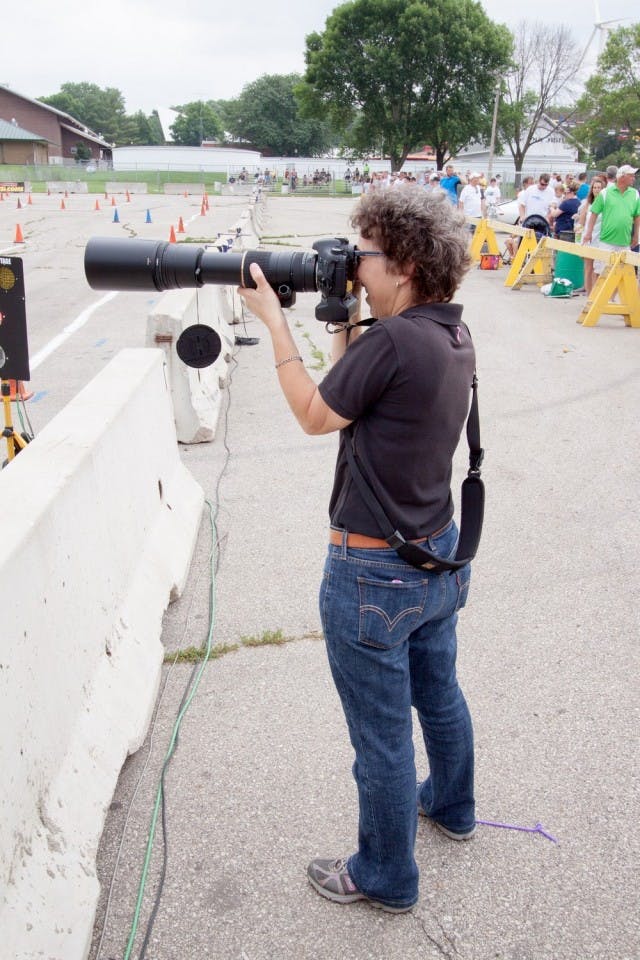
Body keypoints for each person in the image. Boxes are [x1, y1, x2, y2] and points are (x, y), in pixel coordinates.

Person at [238, 189, 476, 914]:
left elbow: (317, 415)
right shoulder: (445, 332)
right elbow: (355, 393)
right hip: (432, 555)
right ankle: (454, 808)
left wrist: (275, 323)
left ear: (402, 265)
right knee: (439, 697)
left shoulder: (396, 342)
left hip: (371, 573)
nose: (350, 263)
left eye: (363, 253)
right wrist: (342, 318)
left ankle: (384, 876)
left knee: (380, 740)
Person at [582, 164, 640, 274]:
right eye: (631, 175)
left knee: (621, 275)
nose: (634, 178)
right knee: (602, 274)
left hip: (625, 242)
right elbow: (594, 213)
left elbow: (637, 217)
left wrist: (636, 236)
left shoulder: (635, 194)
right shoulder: (605, 193)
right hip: (606, 242)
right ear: (622, 177)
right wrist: (588, 233)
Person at [576, 174, 606, 294]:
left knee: (597, 268)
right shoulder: (588, 203)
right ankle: (589, 293)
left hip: (601, 238)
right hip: (589, 237)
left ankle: (596, 293)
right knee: (588, 267)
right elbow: (581, 221)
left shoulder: (605, 204)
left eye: (599, 188)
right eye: (595, 187)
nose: (597, 190)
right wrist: (578, 232)